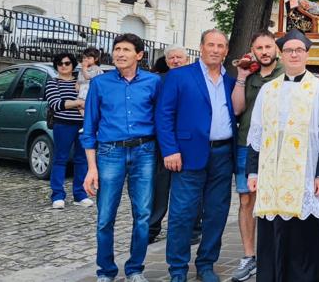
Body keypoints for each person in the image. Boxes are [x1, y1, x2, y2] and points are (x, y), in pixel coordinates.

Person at [246, 29, 319, 281]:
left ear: (306, 54)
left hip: (307, 174)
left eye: (299, 50)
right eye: (289, 50)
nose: (293, 54)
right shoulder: (268, 90)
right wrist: (253, 171)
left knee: (307, 235)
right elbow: (256, 133)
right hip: (273, 176)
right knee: (274, 231)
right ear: (281, 54)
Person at [157, 29, 237, 282]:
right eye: (211, 45)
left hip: (223, 154)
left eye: (220, 46)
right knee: (182, 213)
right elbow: (164, 114)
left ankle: (206, 264)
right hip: (187, 154)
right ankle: (177, 269)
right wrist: (170, 149)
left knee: (217, 213)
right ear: (201, 47)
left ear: (226, 51)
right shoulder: (179, 76)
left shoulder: (230, 81)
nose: (215, 50)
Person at [81, 33, 161, 282]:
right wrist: (91, 167)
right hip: (109, 152)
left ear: (139, 55)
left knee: (143, 215)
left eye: (126, 50)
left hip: (144, 151)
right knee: (105, 216)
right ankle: (106, 271)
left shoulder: (154, 82)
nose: (120, 54)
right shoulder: (100, 84)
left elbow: (163, 118)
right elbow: (89, 127)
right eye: (117, 49)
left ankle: (135, 269)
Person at [228, 31, 284, 281]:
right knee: (246, 200)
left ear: (276, 49)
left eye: (268, 47)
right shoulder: (248, 74)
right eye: (259, 48)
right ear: (252, 51)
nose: (264, 52)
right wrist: (241, 77)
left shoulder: (286, 72)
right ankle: (249, 256)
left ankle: (276, 255)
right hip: (247, 144)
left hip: (278, 146)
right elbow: (237, 109)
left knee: (277, 200)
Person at [149, 46, 197, 246]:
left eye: (179, 57)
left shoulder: (196, 79)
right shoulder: (159, 81)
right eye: (172, 58)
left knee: (189, 190)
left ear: (187, 59)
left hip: (191, 142)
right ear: (167, 61)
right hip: (164, 142)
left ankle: (191, 228)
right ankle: (152, 228)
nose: (176, 60)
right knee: (159, 188)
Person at [44, 52, 91, 209]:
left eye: (67, 63)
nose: (63, 66)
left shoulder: (81, 81)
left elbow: (91, 99)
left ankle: (80, 195)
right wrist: (78, 102)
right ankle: (57, 195)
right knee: (60, 159)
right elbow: (56, 104)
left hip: (83, 125)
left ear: (73, 65)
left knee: (82, 159)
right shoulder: (53, 83)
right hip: (63, 125)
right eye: (60, 63)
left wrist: (73, 102)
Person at [77, 46, 104, 116]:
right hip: (82, 94)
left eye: (89, 58)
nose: (85, 60)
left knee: (88, 111)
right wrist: (77, 85)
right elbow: (79, 81)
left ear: (96, 59)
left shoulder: (96, 69)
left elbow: (87, 77)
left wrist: (84, 68)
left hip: (90, 95)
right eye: (84, 58)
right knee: (80, 108)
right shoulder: (82, 70)